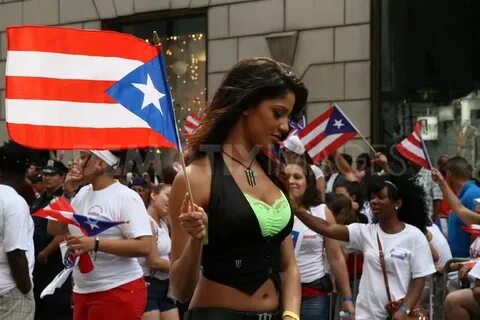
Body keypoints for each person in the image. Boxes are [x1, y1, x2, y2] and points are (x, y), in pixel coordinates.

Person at [169, 58, 308, 320]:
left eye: (289, 117)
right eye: (277, 113)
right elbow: (180, 289)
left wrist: (291, 315)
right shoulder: (195, 178)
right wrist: (197, 238)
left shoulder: (274, 173)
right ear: (247, 105)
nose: (285, 126)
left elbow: (289, 266)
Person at [293, 174, 435, 319]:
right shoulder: (366, 232)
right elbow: (328, 228)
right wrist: (297, 211)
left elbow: (419, 279)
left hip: (398, 316)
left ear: (397, 203)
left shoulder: (414, 236)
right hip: (366, 315)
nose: (374, 201)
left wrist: (404, 309)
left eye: (381, 197)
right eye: (372, 197)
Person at [47, 150, 152, 320]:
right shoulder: (81, 193)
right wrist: (66, 194)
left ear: (100, 165)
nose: (76, 162)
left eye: (83, 157)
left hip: (118, 289)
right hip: (83, 290)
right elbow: (54, 229)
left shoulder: (125, 197)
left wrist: (95, 243)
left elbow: (144, 246)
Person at [284, 161, 354, 320]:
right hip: (280, 293)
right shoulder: (271, 210)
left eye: (297, 177)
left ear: (308, 182)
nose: (291, 181)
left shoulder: (322, 211)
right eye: (286, 177)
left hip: (313, 295)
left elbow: (336, 257)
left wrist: (347, 297)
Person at [30, 160, 72, 320]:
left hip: (53, 261)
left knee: (55, 306)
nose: (47, 178)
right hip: (37, 264)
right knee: (40, 307)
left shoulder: (62, 200)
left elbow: (64, 230)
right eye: (45, 174)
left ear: (62, 178)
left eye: (52, 174)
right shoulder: (40, 199)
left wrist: (45, 252)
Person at [0, 146, 35, 320]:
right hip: (10, 291)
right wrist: (26, 290)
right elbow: (15, 253)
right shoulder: (14, 202)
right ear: (25, 171)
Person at [139, 184, 179, 320]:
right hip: (147, 284)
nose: (171, 201)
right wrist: (183, 268)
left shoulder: (163, 223)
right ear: (153, 195)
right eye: (168, 195)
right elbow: (153, 262)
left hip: (165, 286)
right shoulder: (145, 221)